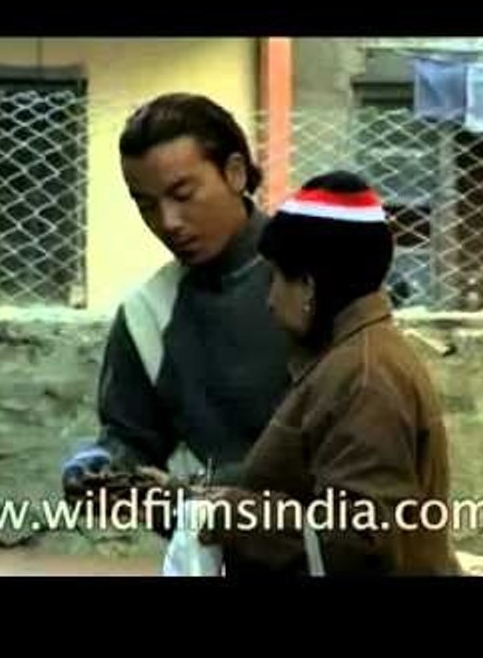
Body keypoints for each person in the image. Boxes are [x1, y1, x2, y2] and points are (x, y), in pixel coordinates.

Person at [194, 171, 462, 576]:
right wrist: (189, 496)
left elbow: (357, 542)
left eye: (278, 279)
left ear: (309, 286)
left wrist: (229, 513)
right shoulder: (346, 360)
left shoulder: (365, 378)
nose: (269, 300)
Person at [60, 93, 293, 518]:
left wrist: (206, 494)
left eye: (182, 194)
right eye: (146, 205)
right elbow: (131, 436)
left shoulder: (316, 282)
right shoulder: (148, 312)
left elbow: (344, 444)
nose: (167, 221)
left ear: (235, 172)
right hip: (206, 553)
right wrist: (104, 467)